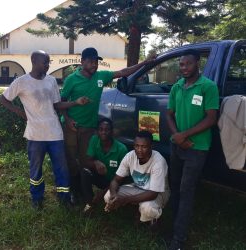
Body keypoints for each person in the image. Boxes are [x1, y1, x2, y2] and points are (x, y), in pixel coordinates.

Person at [61, 47, 156, 204]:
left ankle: (86, 195)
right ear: (82, 61)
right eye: (90, 61)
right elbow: (62, 101)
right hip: (71, 126)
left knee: (85, 161)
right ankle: (73, 191)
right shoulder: (72, 79)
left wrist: (145, 63)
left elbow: (123, 72)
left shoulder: (101, 76)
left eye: (96, 62)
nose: (94, 65)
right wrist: (67, 119)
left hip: (89, 128)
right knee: (71, 160)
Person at [0, 50, 89, 209]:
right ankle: (37, 199)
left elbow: (57, 104)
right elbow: (3, 99)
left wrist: (75, 103)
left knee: (61, 169)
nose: (47, 65)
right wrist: (19, 112)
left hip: (55, 133)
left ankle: (64, 199)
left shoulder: (51, 81)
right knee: (36, 171)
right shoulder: (21, 82)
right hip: (35, 135)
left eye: (48, 62)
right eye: (45, 62)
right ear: (34, 61)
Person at [166, 49, 219, 250]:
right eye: (181, 64)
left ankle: (178, 240)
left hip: (197, 148)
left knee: (186, 190)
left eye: (187, 64)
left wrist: (185, 136)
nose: (184, 68)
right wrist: (177, 137)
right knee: (175, 185)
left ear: (198, 63)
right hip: (178, 144)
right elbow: (169, 114)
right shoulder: (177, 87)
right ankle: (171, 228)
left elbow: (211, 118)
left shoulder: (208, 87)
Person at [104, 131, 170, 225]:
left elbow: (153, 194)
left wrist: (125, 200)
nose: (139, 150)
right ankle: (136, 209)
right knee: (108, 196)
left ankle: (154, 219)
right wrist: (114, 195)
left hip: (157, 193)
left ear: (151, 146)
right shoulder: (130, 156)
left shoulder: (159, 161)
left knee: (148, 209)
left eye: (144, 147)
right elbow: (116, 180)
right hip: (138, 188)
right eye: (137, 146)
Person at [81, 118, 128, 214]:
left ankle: (109, 200)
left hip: (116, 182)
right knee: (85, 171)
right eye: (101, 129)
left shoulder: (121, 149)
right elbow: (87, 161)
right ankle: (89, 203)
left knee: (110, 197)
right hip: (101, 178)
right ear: (97, 131)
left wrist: (102, 193)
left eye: (107, 129)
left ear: (112, 131)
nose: (103, 132)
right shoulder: (94, 140)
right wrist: (95, 162)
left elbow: (124, 178)